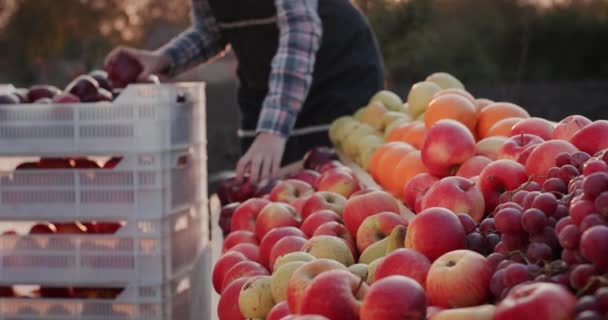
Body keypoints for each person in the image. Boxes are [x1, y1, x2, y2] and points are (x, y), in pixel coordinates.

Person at [105, 0, 384, 183]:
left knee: (333, 180)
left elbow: (301, 28)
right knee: (263, 186)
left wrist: (273, 131)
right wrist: (163, 59)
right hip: (267, 82)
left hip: (338, 73)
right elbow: (211, 32)